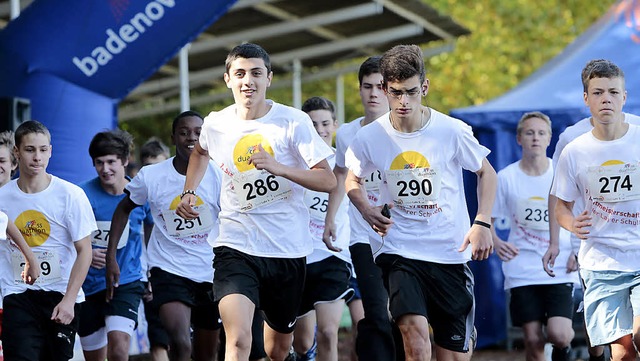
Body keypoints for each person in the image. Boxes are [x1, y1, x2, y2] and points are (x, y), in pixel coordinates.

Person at [175, 43, 336, 361]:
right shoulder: (217, 123)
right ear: (227, 80)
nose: (248, 80)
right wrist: (189, 191)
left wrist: (278, 167)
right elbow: (200, 152)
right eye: (240, 74)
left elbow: (328, 180)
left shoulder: (292, 122)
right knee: (238, 341)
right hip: (235, 246)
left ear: (269, 78)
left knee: (277, 350)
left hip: (286, 250)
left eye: (256, 73)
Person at [344, 44, 496, 361]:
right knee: (414, 337)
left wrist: (482, 221)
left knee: (451, 355)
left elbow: (487, 172)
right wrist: (366, 208)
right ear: (385, 89)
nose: (403, 102)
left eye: (411, 92)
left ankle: (463, 335)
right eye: (396, 93)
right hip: (401, 251)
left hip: (449, 253)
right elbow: (352, 179)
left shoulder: (452, 131)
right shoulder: (369, 137)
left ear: (424, 87)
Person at [542, 59, 640, 361]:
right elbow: (561, 205)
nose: (606, 98)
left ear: (624, 97)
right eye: (598, 92)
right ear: (586, 98)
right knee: (622, 352)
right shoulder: (574, 148)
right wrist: (570, 226)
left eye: (613, 92)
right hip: (601, 260)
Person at [106, 111, 223, 361]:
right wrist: (111, 255)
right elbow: (123, 209)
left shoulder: (219, 174)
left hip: (210, 271)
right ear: (173, 137)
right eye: (183, 132)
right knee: (181, 344)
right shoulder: (152, 176)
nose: (191, 138)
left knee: (207, 354)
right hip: (168, 270)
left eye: (198, 133)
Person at [0, 120, 95, 360]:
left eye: (43, 150)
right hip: (17, 294)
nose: (37, 157)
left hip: (60, 296)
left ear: (51, 151)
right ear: (16, 153)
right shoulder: (2, 197)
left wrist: (69, 300)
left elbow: (85, 251)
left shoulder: (70, 195)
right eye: (30, 150)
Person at [491, 112, 577, 361]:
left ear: (550, 139)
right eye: (529, 133)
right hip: (522, 266)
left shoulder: (562, 173)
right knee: (532, 340)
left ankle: (563, 352)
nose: (535, 138)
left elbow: (580, 214)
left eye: (541, 133)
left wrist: (576, 250)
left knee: (559, 335)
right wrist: (496, 241)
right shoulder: (506, 177)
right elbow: (487, 220)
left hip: (559, 264)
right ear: (519, 138)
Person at [333, 55, 399, 361]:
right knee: (375, 308)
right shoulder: (347, 133)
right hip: (361, 236)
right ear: (359, 90)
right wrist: (331, 218)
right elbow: (340, 177)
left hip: (403, 236)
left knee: (402, 313)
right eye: (367, 86)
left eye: (379, 87)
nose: (373, 93)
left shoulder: (405, 132)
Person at [77, 129, 152, 361]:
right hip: (89, 284)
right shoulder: (81, 195)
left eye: (111, 162)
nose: (105, 169)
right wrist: (88, 253)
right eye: (99, 163)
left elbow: (151, 229)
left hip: (127, 281)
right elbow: (70, 238)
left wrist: (151, 272)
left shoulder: (139, 194)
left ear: (125, 161)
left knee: (119, 350)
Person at [292, 96, 354, 361]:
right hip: (299, 256)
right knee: (303, 342)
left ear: (335, 124)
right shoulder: (292, 163)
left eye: (325, 123)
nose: (319, 130)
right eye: (313, 124)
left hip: (334, 255)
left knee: (328, 332)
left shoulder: (346, 161)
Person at [138, 136, 172, 361]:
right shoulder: (135, 199)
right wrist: (146, 274)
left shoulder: (186, 192)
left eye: (160, 165)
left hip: (192, 274)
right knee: (159, 338)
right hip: (152, 273)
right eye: (149, 167)